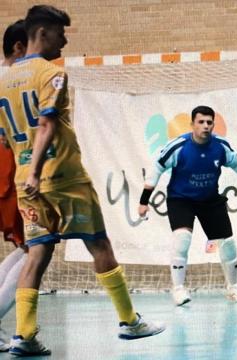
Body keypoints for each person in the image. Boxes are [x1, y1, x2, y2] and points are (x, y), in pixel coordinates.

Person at [0, 5, 165, 356]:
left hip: (26, 186)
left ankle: (24, 337)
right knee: (99, 245)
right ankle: (129, 322)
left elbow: (3, 139)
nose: (65, 40)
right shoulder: (52, 74)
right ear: (42, 33)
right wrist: (37, 169)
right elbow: (46, 124)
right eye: (61, 33)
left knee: (37, 254)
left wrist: (26, 169)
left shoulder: (2, 80)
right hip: (63, 177)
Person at [138, 105, 237, 306]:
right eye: (201, 122)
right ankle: (178, 289)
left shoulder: (220, 146)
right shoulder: (179, 146)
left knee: (227, 243)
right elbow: (157, 167)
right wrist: (143, 201)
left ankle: (234, 288)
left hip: (209, 200)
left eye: (209, 122)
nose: (205, 126)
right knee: (182, 238)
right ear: (192, 124)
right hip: (181, 199)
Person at [0, 19, 28, 352]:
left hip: (10, 170)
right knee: (37, 250)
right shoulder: (17, 79)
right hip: (11, 170)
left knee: (27, 249)